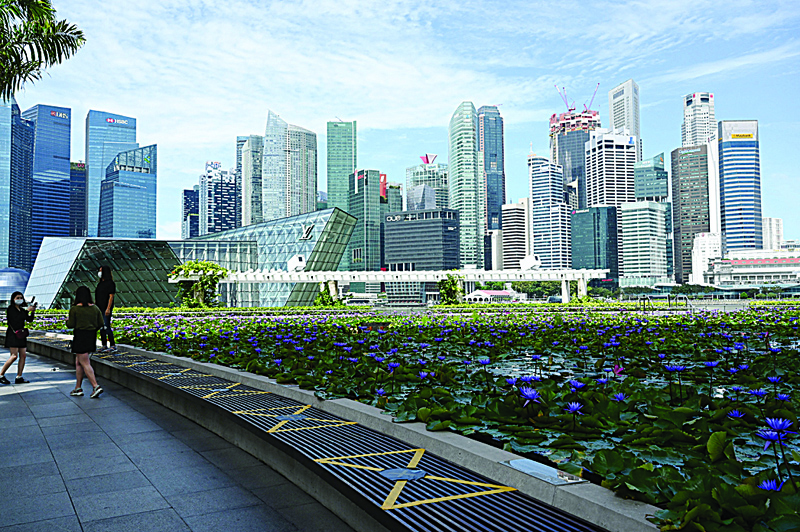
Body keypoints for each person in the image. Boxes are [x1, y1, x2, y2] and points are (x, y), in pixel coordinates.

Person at [66, 286, 104, 398]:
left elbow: (71, 324)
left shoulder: (75, 309)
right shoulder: (95, 308)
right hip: (91, 336)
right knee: (79, 362)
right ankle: (78, 387)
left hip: (80, 336)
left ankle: (95, 386)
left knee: (85, 363)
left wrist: (67, 321)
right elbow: (100, 323)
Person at [1, 291, 36, 384]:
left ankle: (19, 376)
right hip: (13, 334)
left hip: (21, 334)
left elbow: (29, 319)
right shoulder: (10, 309)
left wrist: (32, 312)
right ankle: (1, 374)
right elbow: (15, 319)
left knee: (23, 355)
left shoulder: (22, 310)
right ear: (13, 299)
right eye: (17, 298)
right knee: (14, 356)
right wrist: (27, 311)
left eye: (21, 298)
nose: (19, 299)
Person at [95, 265, 117, 353]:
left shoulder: (110, 283)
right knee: (101, 327)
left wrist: (108, 308)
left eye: (101, 270)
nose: (99, 272)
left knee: (106, 326)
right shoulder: (100, 284)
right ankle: (104, 345)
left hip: (105, 308)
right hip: (99, 308)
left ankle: (112, 345)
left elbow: (111, 297)